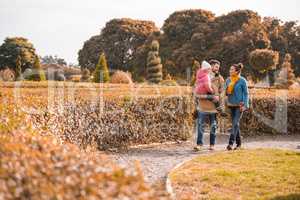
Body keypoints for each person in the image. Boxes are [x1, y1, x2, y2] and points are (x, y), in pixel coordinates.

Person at [193, 59, 225, 151]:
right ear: (210, 67)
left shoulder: (220, 78)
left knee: (213, 126)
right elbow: (196, 89)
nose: (218, 69)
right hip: (202, 106)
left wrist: (218, 97)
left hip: (214, 108)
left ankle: (212, 144)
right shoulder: (202, 76)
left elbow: (222, 91)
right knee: (200, 125)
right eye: (216, 67)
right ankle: (199, 144)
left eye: (218, 67)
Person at [224, 63, 249, 150]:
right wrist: (227, 91)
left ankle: (230, 144)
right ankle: (239, 144)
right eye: (230, 69)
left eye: (232, 69)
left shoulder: (242, 80)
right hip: (231, 105)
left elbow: (246, 94)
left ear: (237, 71)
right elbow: (225, 92)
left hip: (240, 106)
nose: (230, 71)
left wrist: (245, 105)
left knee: (234, 124)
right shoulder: (228, 80)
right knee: (236, 125)